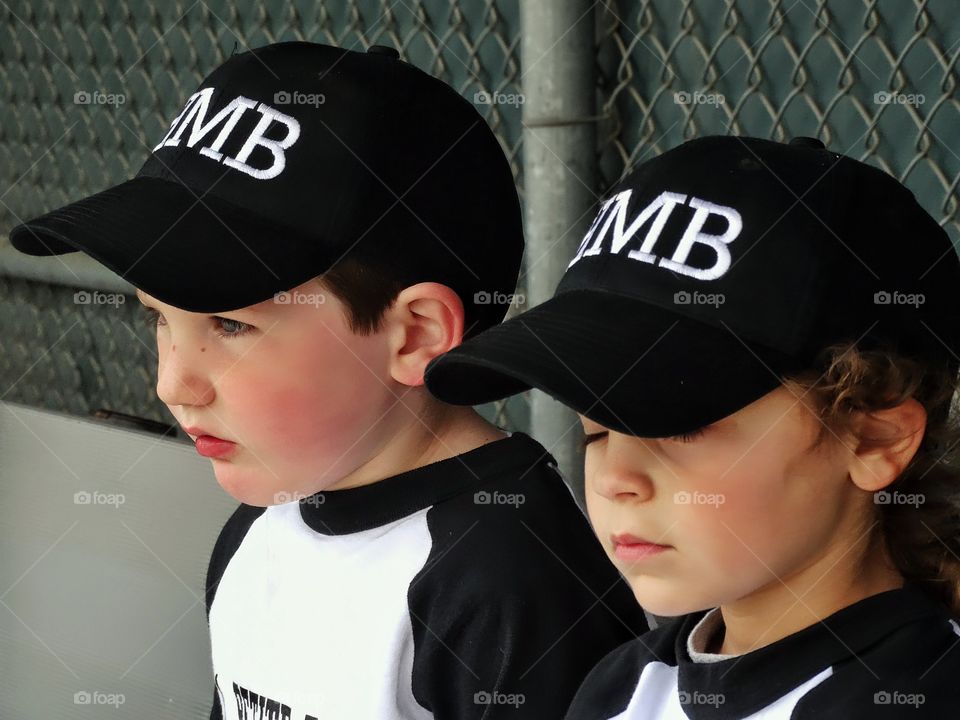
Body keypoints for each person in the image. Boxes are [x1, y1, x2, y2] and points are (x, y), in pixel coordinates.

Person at [9, 41, 648, 719]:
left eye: (229, 326)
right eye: (159, 320)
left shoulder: (513, 584)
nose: (173, 383)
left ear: (417, 335)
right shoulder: (263, 524)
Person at [424, 135, 960, 718]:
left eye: (678, 424)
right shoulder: (624, 686)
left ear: (875, 438)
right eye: (595, 431)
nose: (613, 479)